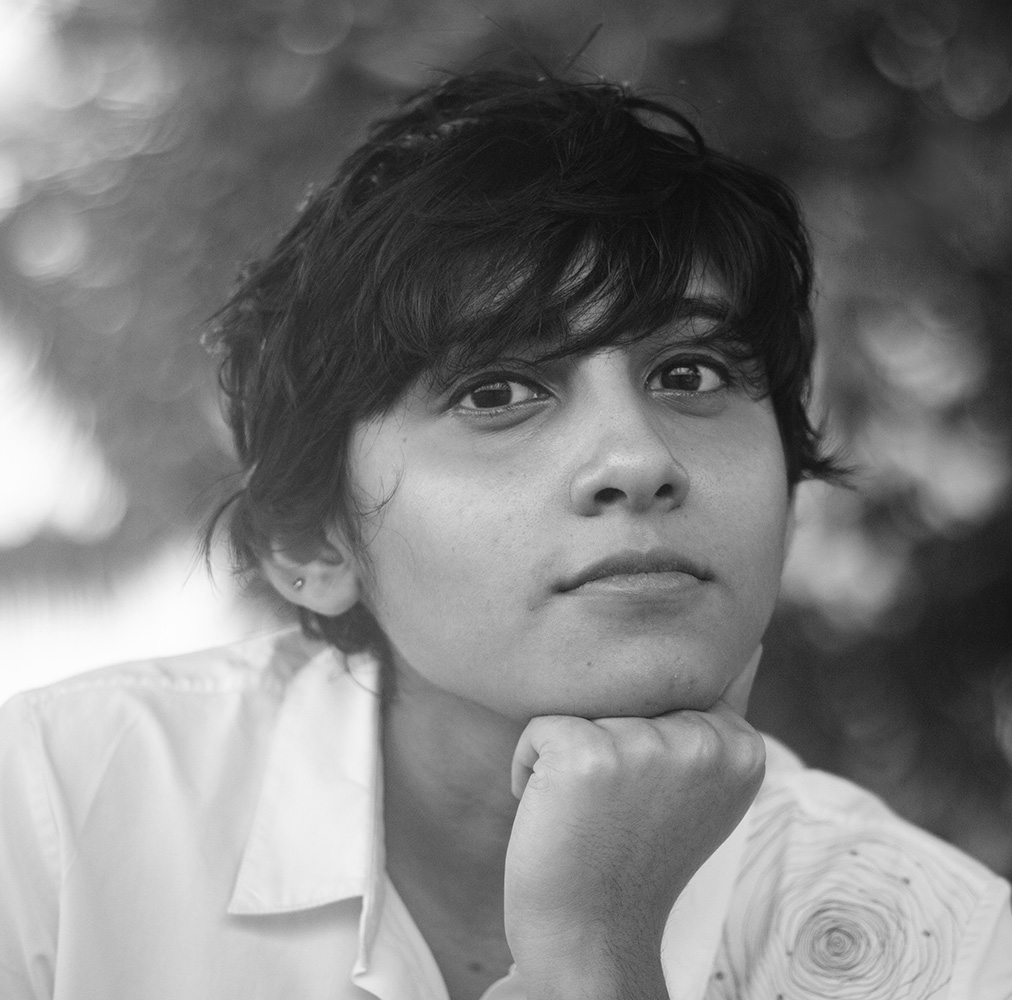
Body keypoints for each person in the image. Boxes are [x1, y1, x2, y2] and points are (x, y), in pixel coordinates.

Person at [1, 70, 1009, 1000]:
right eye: (497, 393)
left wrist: (594, 953)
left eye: (690, 374)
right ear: (314, 546)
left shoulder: (953, 953)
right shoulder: (54, 816)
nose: (638, 458)